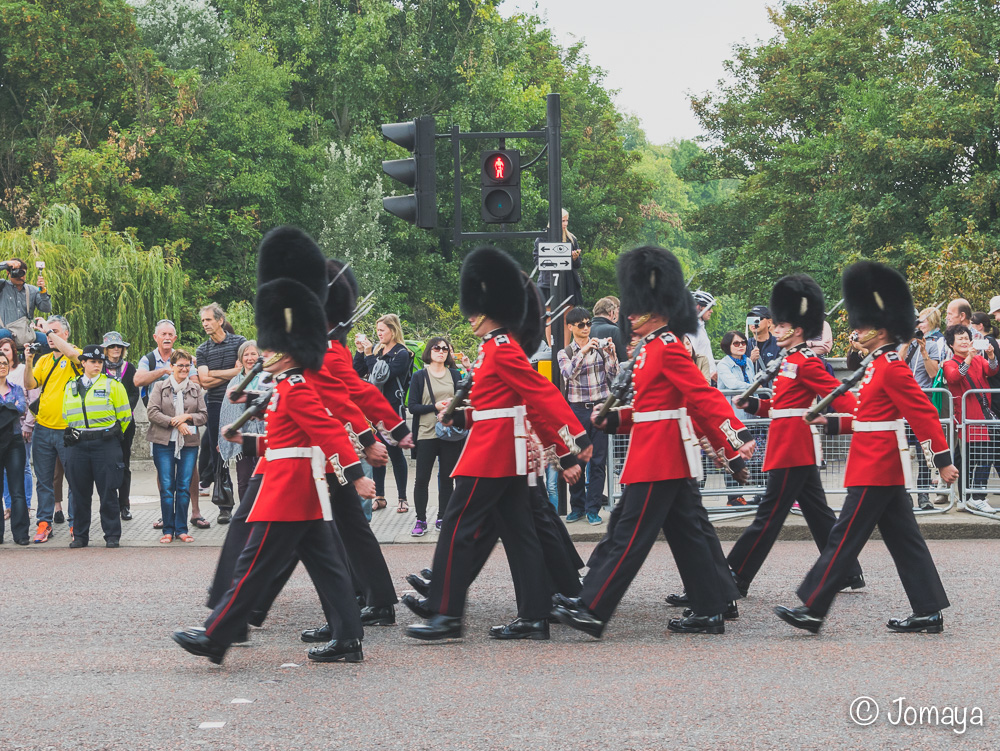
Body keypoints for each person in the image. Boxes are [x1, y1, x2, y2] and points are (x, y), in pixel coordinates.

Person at [174, 258, 374, 666]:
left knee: (252, 565)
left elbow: (329, 433)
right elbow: (285, 438)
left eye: (272, 347)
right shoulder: (285, 387)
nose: (264, 352)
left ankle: (216, 637)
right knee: (329, 568)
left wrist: (356, 477)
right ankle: (349, 639)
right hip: (297, 488)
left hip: (288, 490)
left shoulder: (296, 388)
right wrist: (243, 436)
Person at [552, 246, 752, 639]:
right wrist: (613, 419)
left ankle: (593, 607)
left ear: (656, 308)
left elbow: (702, 396)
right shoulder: (649, 352)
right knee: (690, 534)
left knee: (627, 534)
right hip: (659, 452)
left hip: (660, 456)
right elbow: (650, 408)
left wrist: (735, 436)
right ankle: (712, 607)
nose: (628, 315)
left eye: (636, 307)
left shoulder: (667, 348)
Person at [405, 246, 592, 643]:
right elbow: (499, 405)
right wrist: (461, 415)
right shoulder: (494, 347)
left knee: (457, 526)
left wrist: (571, 443)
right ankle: (534, 616)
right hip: (501, 450)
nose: (470, 315)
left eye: (477, 308)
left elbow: (538, 395)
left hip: (493, 454)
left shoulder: (502, 348)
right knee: (521, 533)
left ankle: (446, 614)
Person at [776, 261, 958, 635]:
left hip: (877, 464)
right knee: (906, 541)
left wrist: (941, 460)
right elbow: (866, 414)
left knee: (843, 537)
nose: (855, 329)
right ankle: (928, 610)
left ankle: (812, 607)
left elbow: (922, 413)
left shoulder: (891, 366)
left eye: (861, 324)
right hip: (877, 463)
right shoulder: (876, 365)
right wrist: (833, 422)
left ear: (882, 327)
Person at [729, 275, 864, 595]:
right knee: (818, 515)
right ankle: (847, 571)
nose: (775, 330)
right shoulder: (787, 361)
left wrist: (868, 415)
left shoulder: (805, 361)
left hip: (792, 447)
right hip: (791, 446)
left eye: (781, 325)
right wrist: (753, 404)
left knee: (768, 517)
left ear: (797, 330)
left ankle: (736, 572)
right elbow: (780, 405)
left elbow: (841, 397)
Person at [61, 344, 132, 548]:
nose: (97, 365)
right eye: (93, 361)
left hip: (105, 444)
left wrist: (109, 434)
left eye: (100, 362)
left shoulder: (113, 385)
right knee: (79, 492)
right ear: (83, 363)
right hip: (78, 444)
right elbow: (66, 414)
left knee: (108, 491)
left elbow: (125, 417)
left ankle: (111, 535)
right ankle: (81, 536)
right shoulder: (70, 385)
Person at [557, 306, 618, 525]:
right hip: (576, 410)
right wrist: (583, 352)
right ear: (571, 327)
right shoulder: (566, 353)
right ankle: (578, 507)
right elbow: (568, 374)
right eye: (581, 325)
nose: (586, 328)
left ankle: (593, 509)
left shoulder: (600, 348)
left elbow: (614, 375)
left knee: (598, 462)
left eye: (588, 324)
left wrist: (611, 354)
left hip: (600, 407)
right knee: (577, 461)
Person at [23, 315, 81, 543]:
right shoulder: (44, 360)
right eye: (47, 332)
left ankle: (76, 523)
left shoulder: (75, 354)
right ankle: (44, 523)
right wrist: (28, 361)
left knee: (75, 480)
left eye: (55, 331)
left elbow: (75, 356)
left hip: (68, 429)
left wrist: (48, 332)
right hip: (43, 429)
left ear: (65, 334)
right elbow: (29, 385)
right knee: (44, 480)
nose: (49, 336)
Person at [147, 349, 207, 543]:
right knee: (167, 487)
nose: (184, 369)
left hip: (188, 444)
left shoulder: (195, 389)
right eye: (180, 365)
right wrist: (176, 422)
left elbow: (203, 416)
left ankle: (181, 528)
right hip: (163, 443)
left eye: (187, 365)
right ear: (171, 367)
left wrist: (187, 417)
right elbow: (152, 412)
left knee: (183, 487)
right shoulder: (160, 387)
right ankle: (167, 529)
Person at [354, 314, 411, 513]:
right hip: (372, 412)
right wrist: (361, 351)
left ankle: (402, 497)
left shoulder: (402, 353)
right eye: (377, 330)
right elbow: (357, 371)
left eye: (382, 330)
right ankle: (380, 496)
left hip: (391, 410)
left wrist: (369, 355)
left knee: (395, 454)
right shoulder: (377, 350)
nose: (379, 334)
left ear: (393, 331)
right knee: (375, 451)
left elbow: (380, 377)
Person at [406, 336, 463, 536]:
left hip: (449, 434)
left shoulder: (455, 375)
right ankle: (421, 520)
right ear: (429, 351)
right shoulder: (419, 376)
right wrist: (435, 407)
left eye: (445, 349)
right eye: (437, 348)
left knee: (447, 479)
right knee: (421, 478)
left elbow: (464, 403)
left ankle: (443, 517)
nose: (441, 351)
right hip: (426, 433)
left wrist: (450, 411)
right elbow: (412, 406)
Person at [195, 303, 246, 524]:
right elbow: (204, 382)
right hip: (216, 404)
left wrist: (215, 374)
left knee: (248, 453)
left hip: (242, 403)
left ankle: (249, 503)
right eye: (203, 321)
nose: (205, 324)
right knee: (219, 456)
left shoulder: (240, 342)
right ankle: (225, 506)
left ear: (220, 320)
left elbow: (245, 371)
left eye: (208, 320)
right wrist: (231, 372)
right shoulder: (202, 350)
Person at [941, 324, 998, 514]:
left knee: (975, 458)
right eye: (960, 339)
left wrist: (990, 356)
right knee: (976, 458)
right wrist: (970, 357)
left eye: (967, 338)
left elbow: (992, 370)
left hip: (982, 415)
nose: (965, 341)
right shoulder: (949, 362)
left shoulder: (978, 359)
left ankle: (969, 498)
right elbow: (955, 377)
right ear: (951, 344)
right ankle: (975, 497)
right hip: (966, 417)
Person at [899, 307, 949, 509]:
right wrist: (906, 344)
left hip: (921, 402)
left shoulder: (932, 344)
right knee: (901, 453)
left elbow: (933, 374)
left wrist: (924, 352)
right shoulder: (895, 345)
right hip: (902, 404)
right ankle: (903, 498)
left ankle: (923, 496)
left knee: (923, 454)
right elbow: (896, 365)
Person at [217, 340, 263, 504]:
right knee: (243, 478)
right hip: (240, 437)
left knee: (262, 476)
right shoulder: (234, 382)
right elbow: (226, 411)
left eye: (253, 354)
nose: (250, 358)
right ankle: (245, 515)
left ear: (259, 356)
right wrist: (223, 439)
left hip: (263, 435)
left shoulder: (266, 379)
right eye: (246, 354)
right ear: (240, 358)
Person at [101, 331, 139, 521]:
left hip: (125, 424)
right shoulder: (99, 368)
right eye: (112, 346)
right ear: (105, 350)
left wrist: (123, 412)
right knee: (105, 464)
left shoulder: (129, 368)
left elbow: (134, 393)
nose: (116, 349)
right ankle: (108, 504)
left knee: (124, 462)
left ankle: (124, 504)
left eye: (119, 346)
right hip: (104, 423)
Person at [715, 330, 754, 505]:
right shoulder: (723, 365)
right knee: (732, 456)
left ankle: (743, 494)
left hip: (748, 415)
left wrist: (752, 387)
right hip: (730, 418)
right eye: (736, 343)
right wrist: (753, 386)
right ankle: (733, 497)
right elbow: (732, 384)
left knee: (749, 456)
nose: (740, 346)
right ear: (728, 346)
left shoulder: (748, 362)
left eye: (743, 342)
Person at [1, 338, 34, 521]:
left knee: (23, 469)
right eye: (1, 350)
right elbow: (13, 406)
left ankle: (25, 506)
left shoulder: (21, 372)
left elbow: (24, 404)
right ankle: (8, 507)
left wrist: (28, 424)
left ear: (13, 352)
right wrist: (9, 405)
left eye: (7, 350)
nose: (4, 353)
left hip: (19, 431)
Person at [0, 350, 28, 544]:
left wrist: (6, 408)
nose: (2, 365)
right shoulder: (14, 394)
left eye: (4, 362)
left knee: (17, 489)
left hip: (15, 442)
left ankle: (20, 534)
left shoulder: (16, 388)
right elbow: (14, 408)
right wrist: (9, 408)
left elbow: (21, 408)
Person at [0, 258, 51, 348]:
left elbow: (46, 309)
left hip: (26, 333)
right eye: (16, 273)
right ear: (8, 273)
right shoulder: (2, 286)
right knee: (3, 333)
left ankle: (38, 361)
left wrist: (42, 291)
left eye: (22, 273)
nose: (20, 276)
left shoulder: (32, 290)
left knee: (50, 340)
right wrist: (6, 264)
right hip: (6, 332)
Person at [591, 296, 627, 362]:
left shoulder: (586, 329)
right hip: (611, 370)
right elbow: (624, 359)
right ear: (611, 312)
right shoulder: (614, 330)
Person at [690, 290, 716, 380]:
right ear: (698, 307)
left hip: (707, 376)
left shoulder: (700, 327)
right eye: (709, 308)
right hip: (700, 377)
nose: (711, 311)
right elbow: (691, 355)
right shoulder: (693, 330)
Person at [747, 305, 781, 371]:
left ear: (769, 322)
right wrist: (750, 360)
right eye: (751, 319)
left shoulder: (779, 344)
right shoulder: (743, 345)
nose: (754, 323)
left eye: (758, 319)